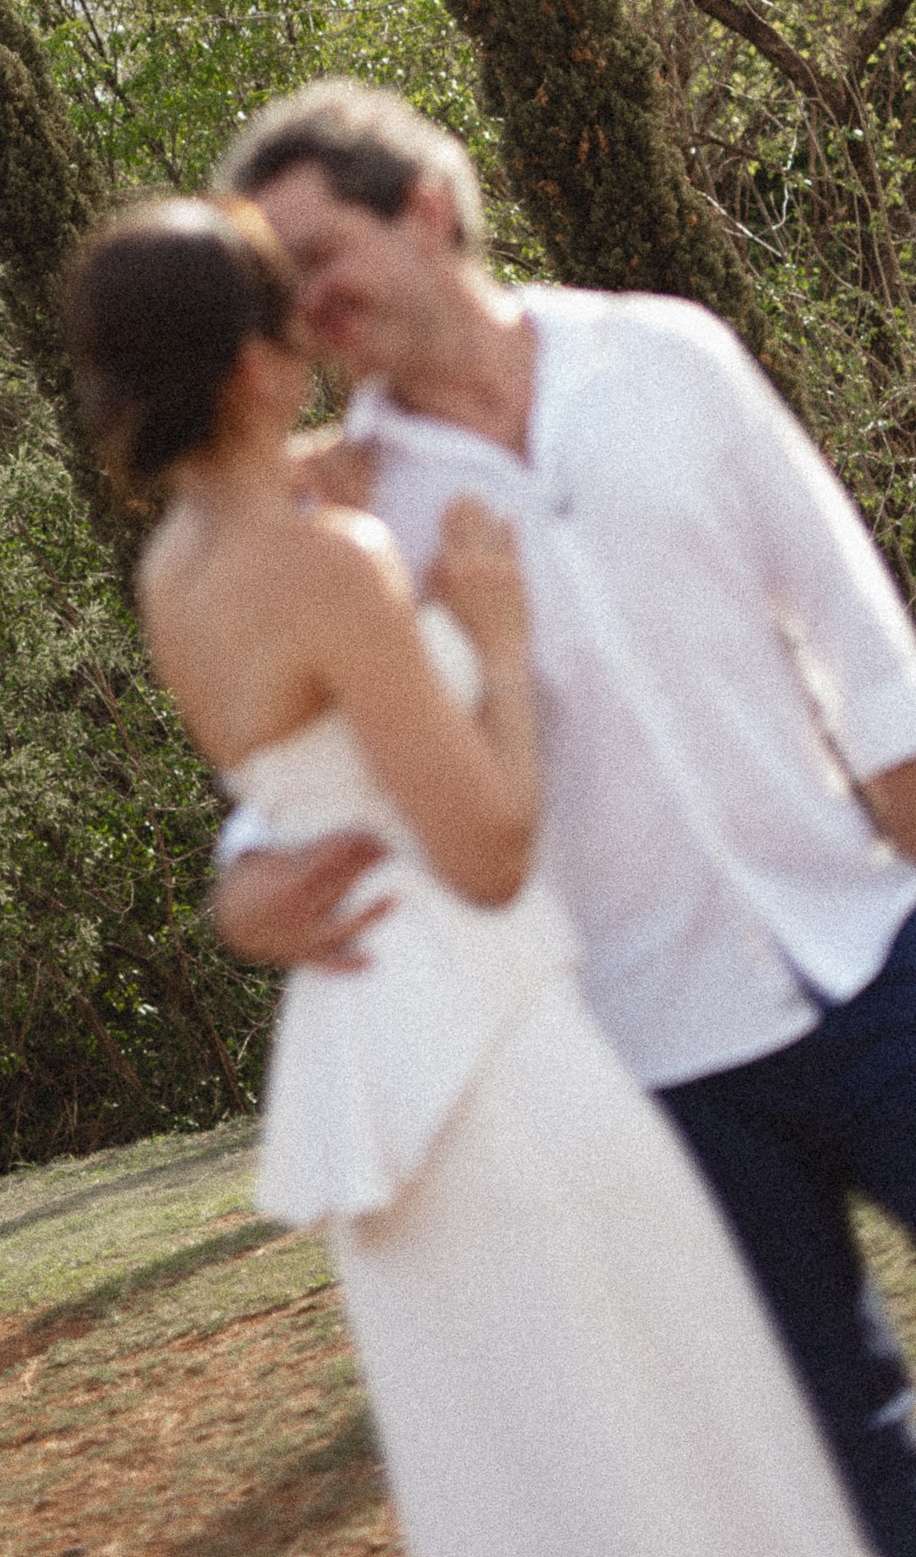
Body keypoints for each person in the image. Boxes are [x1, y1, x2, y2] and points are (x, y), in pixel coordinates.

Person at [66, 193, 871, 1557]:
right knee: (666, 1421)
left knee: (525, 1453)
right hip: (493, 1045)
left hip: (369, 1045)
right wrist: (491, 641)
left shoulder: (172, 569)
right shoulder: (332, 561)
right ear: (260, 363)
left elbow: (298, 770)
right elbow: (490, 853)